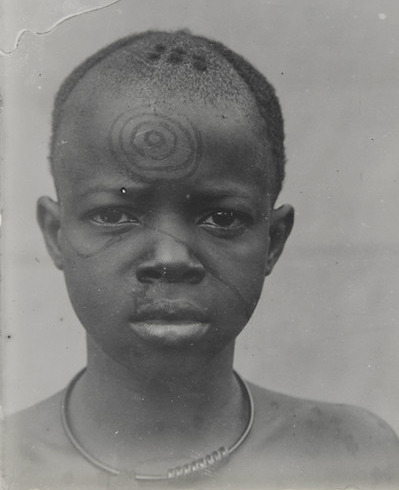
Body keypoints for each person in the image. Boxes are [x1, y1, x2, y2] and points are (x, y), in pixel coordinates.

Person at [4, 30, 399, 490]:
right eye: (114, 214)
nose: (171, 258)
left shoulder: (355, 457)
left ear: (272, 241)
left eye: (221, 217)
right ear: (56, 234)